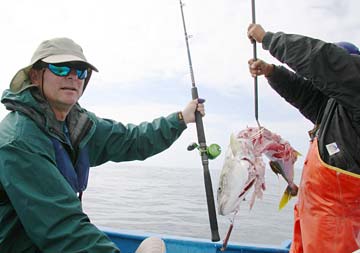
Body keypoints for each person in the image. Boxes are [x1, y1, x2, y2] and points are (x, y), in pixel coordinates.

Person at [0, 37, 205, 252]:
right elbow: (62, 228)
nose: (72, 76)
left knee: (155, 244)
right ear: (35, 75)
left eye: (80, 71)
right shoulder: (19, 142)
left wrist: (181, 118)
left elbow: (132, 140)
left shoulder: (78, 125)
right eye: (60, 68)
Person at [247, 24, 360, 253]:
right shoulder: (331, 107)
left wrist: (269, 39)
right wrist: (272, 71)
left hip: (335, 229)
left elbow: (322, 61)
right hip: (310, 219)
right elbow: (304, 94)